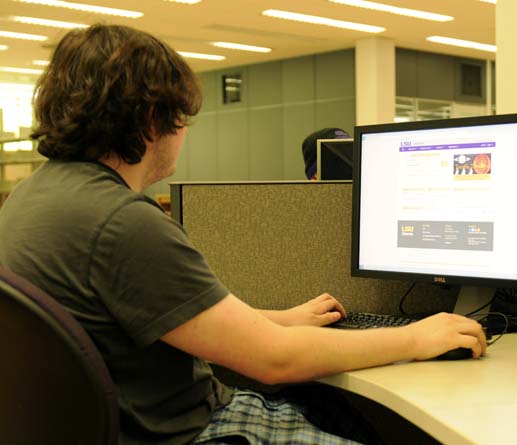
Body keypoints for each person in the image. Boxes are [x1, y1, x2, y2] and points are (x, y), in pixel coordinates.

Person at [0, 24, 487, 445]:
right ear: (154, 120)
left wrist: (281, 319)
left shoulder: (36, 198)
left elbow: (159, 314)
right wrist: (416, 337)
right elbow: (274, 362)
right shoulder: (121, 221)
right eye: (183, 119)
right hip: (193, 432)